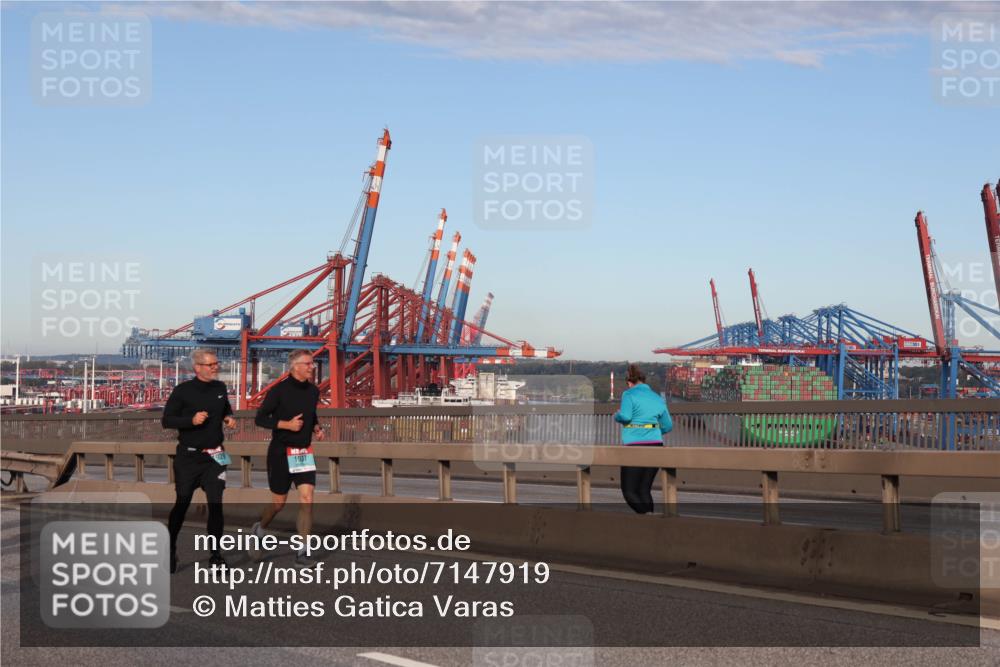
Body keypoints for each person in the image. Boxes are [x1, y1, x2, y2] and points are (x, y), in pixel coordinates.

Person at [161, 348, 236, 573]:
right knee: (182, 504)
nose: (216, 367)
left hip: (215, 456)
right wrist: (191, 420)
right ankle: (170, 548)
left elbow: (226, 409)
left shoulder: (220, 388)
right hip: (189, 457)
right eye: (211, 364)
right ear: (198, 368)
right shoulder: (183, 391)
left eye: (216, 363)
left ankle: (216, 556)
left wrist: (229, 418)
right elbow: (167, 420)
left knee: (216, 505)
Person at [250, 349, 324, 567]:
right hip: (281, 452)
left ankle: (302, 552)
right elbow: (260, 419)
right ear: (296, 366)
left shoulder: (313, 391)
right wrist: (286, 425)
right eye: (309, 364)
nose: (313, 367)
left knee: (307, 498)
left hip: (302, 452)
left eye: (313, 363)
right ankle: (259, 528)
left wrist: (317, 427)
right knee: (278, 503)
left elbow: (310, 414)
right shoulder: (278, 391)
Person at [614, 363, 673, 514]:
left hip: (635, 447)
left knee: (629, 492)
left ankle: (648, 520)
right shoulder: (657, 398)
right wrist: (652, 431)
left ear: (629, 382)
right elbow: (667, 426)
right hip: (656, 445)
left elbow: (626, 417)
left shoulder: (629, 394)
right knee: (644, 490)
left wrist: (617, 415)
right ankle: (652, 524)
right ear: (644, 381)